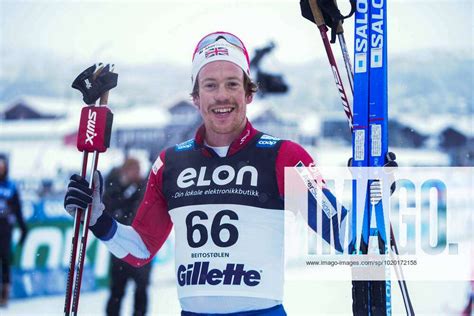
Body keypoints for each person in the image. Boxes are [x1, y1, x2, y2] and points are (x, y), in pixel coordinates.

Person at [64, 31, 394, 315]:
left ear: (249, 93)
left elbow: (342, 234)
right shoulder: (169, 164)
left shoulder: (285, 157)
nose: (221, 95)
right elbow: (140, 250)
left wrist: (375, 193)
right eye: (210, 85)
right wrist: (99, 219)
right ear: (195, 97)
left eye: (232, 84)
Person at [102, 158, 150, 316]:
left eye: (139, 169)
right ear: (125, 170)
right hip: (121, 246)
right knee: (117, 290)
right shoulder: (114, 186)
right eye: (134, 169)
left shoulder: (143, 187)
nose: (138, 173)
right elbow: (109, 207)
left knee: (141, 289)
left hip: (140, 246)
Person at [0, 154, 28, 307]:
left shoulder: (11, 186)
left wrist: (23, 229)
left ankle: (4, 295)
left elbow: (18, 209)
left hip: (5, 227)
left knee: (5, 259)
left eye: (2, 166)